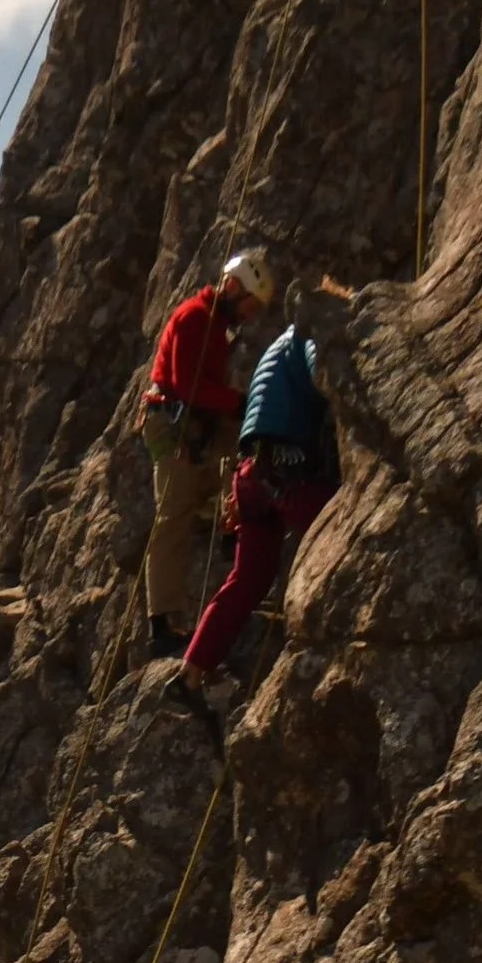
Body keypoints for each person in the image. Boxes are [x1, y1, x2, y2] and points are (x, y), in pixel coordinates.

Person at [179, 306, 340, 705]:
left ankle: (191, 672)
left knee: (248, 578)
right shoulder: (309, 334)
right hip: (287, 470)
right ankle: (323, 645)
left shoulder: (275, 348)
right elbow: (328, 374)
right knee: (336, 533)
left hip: (252, 473)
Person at [140, 243, 278, 656]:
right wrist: (240, 401)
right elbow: (187, 386)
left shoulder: (214, 325)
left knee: (241, 457)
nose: (250, 315)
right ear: (233, 286)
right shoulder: (194, 318)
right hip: (173, 421)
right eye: (250, 305)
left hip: (192, 422)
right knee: (173, 515)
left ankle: (232, 533)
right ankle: (162, 624)